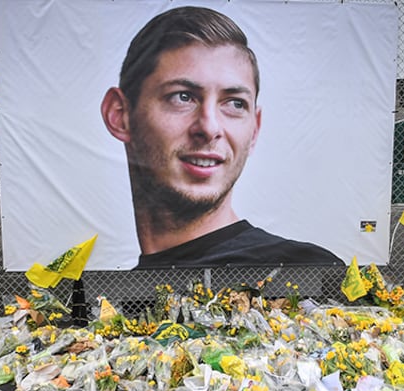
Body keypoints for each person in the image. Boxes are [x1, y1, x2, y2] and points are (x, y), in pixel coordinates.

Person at [100, 6, 342, 269]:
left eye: (235, 103)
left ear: (254, 130)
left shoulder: (306, 272)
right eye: (182, 96)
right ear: (120, 115)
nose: (209, 128)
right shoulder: (115, 298)